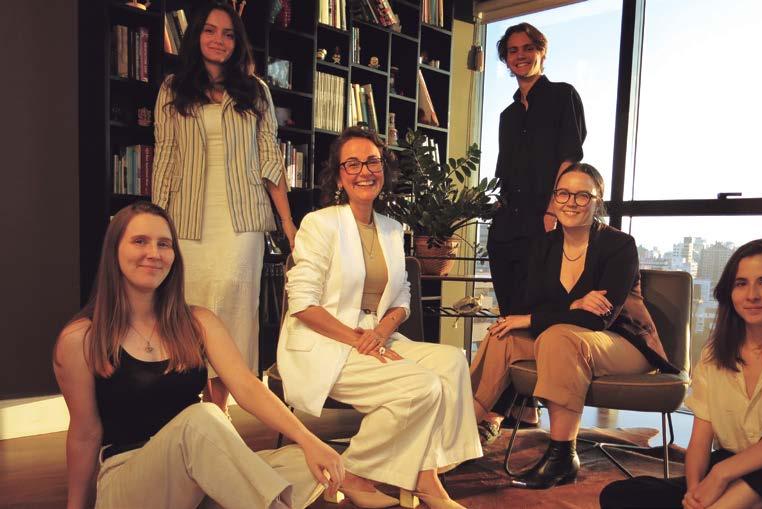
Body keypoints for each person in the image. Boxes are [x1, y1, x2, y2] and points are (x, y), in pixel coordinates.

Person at [52, 202, 343, 509]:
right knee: (202, 419)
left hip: (195, 476)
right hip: (129, 479)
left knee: (307, 461)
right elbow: (85, 434)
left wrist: (309, 440)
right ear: (113, 251)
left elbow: (246, 386)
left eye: (164, 244)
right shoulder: (82, 338)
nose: (153, 253)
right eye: (140, 241)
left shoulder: (197, 322)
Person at [277, 127, 482, 509]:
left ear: (383, 169)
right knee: (422, 386)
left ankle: (425, 475)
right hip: (326, 341)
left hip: (376, 334)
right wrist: (358, 339)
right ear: (339, 176)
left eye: (372, 161)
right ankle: (356, 472)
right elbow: (302, 304)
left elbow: (402, 295)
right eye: (352, 164)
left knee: (452, 361)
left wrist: (382, 330)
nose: (364, 171)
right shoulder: (319, 224)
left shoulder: (391, 229)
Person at [470, 163, 679, 489]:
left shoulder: (619, 246)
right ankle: (458, 434)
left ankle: (562, 456)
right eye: (563, 193)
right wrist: (572, 306)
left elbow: (599, 319)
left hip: (622, 343)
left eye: (583, 195)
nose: (571, 202)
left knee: (558, 336)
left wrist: (538, 317)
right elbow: (526, 304)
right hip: (564, 340)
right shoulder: (543, 245)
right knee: (503, 336)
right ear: (554, 199)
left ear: (597, 201)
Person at [600, 239, 762, 509]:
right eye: (741, 283)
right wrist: (695, 492)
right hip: (732, 479)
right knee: (620, 495)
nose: (752, 295)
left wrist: (723, 473)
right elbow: (700, 442)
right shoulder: (715, 355)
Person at [152, 1, 297, 413]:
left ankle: (219, 412)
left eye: (229, 34)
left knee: (234, 312)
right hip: (185, 219)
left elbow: (269, 158)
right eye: (211, 31)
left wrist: (287, 223)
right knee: (187, 310)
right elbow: (165, 158)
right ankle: (191, 408)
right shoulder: (172, 89)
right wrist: (155, 225)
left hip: (242, 221)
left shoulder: (256, 91)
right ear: (196, 36)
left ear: (238, 42)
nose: (219, 40)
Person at [487, 22, 586, 318]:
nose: (520, 55)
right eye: (513, 50)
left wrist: (552, 211)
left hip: (545, 221)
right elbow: (504, 172)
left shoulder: (563, 96)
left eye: (528, 48)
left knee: (539, 312)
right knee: (509, 314)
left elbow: (570, 157)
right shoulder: (508, 115)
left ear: (542, 52)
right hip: (506, 227)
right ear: (506, 59)